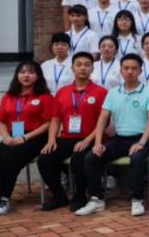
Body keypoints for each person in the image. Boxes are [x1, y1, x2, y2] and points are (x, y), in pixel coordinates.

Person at [77, 54, 149, 217]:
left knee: (137, 158)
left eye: (134, 68)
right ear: (121, 71)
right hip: (119, 138)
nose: (130, 71)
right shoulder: (113, 93)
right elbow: (103, 118)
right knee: (91, 157)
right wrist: (98, 143)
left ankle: (137, 199)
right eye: (126, 68)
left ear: (140, 71)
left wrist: (141, 143)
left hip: (141, 138)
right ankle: (96, 199)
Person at [0, 61, 55, 216]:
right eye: (22, 72)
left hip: (36, 137)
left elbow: (49, 123)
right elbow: (2, 121)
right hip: (12, 135)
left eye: (31, 72)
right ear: (17, 75)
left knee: (10, 159)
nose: (26, 75)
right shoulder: (8, 97)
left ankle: (4, 198)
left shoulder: (45, 97)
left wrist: (25, 137)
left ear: (38, 76)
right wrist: (6, 137)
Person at [37, 52, 108, 212]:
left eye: (87, 65)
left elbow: (103, 122)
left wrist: (87, 140)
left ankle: (80, 195)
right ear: (72, 68)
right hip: (67, 137)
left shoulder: (100, 92)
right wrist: (51, 140)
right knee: (45, 159)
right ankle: (59, 195)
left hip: (91, 137)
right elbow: (56, 119)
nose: (83, 68)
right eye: (79, 64)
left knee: (78, 159)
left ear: (92, 68)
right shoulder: (62, 92)